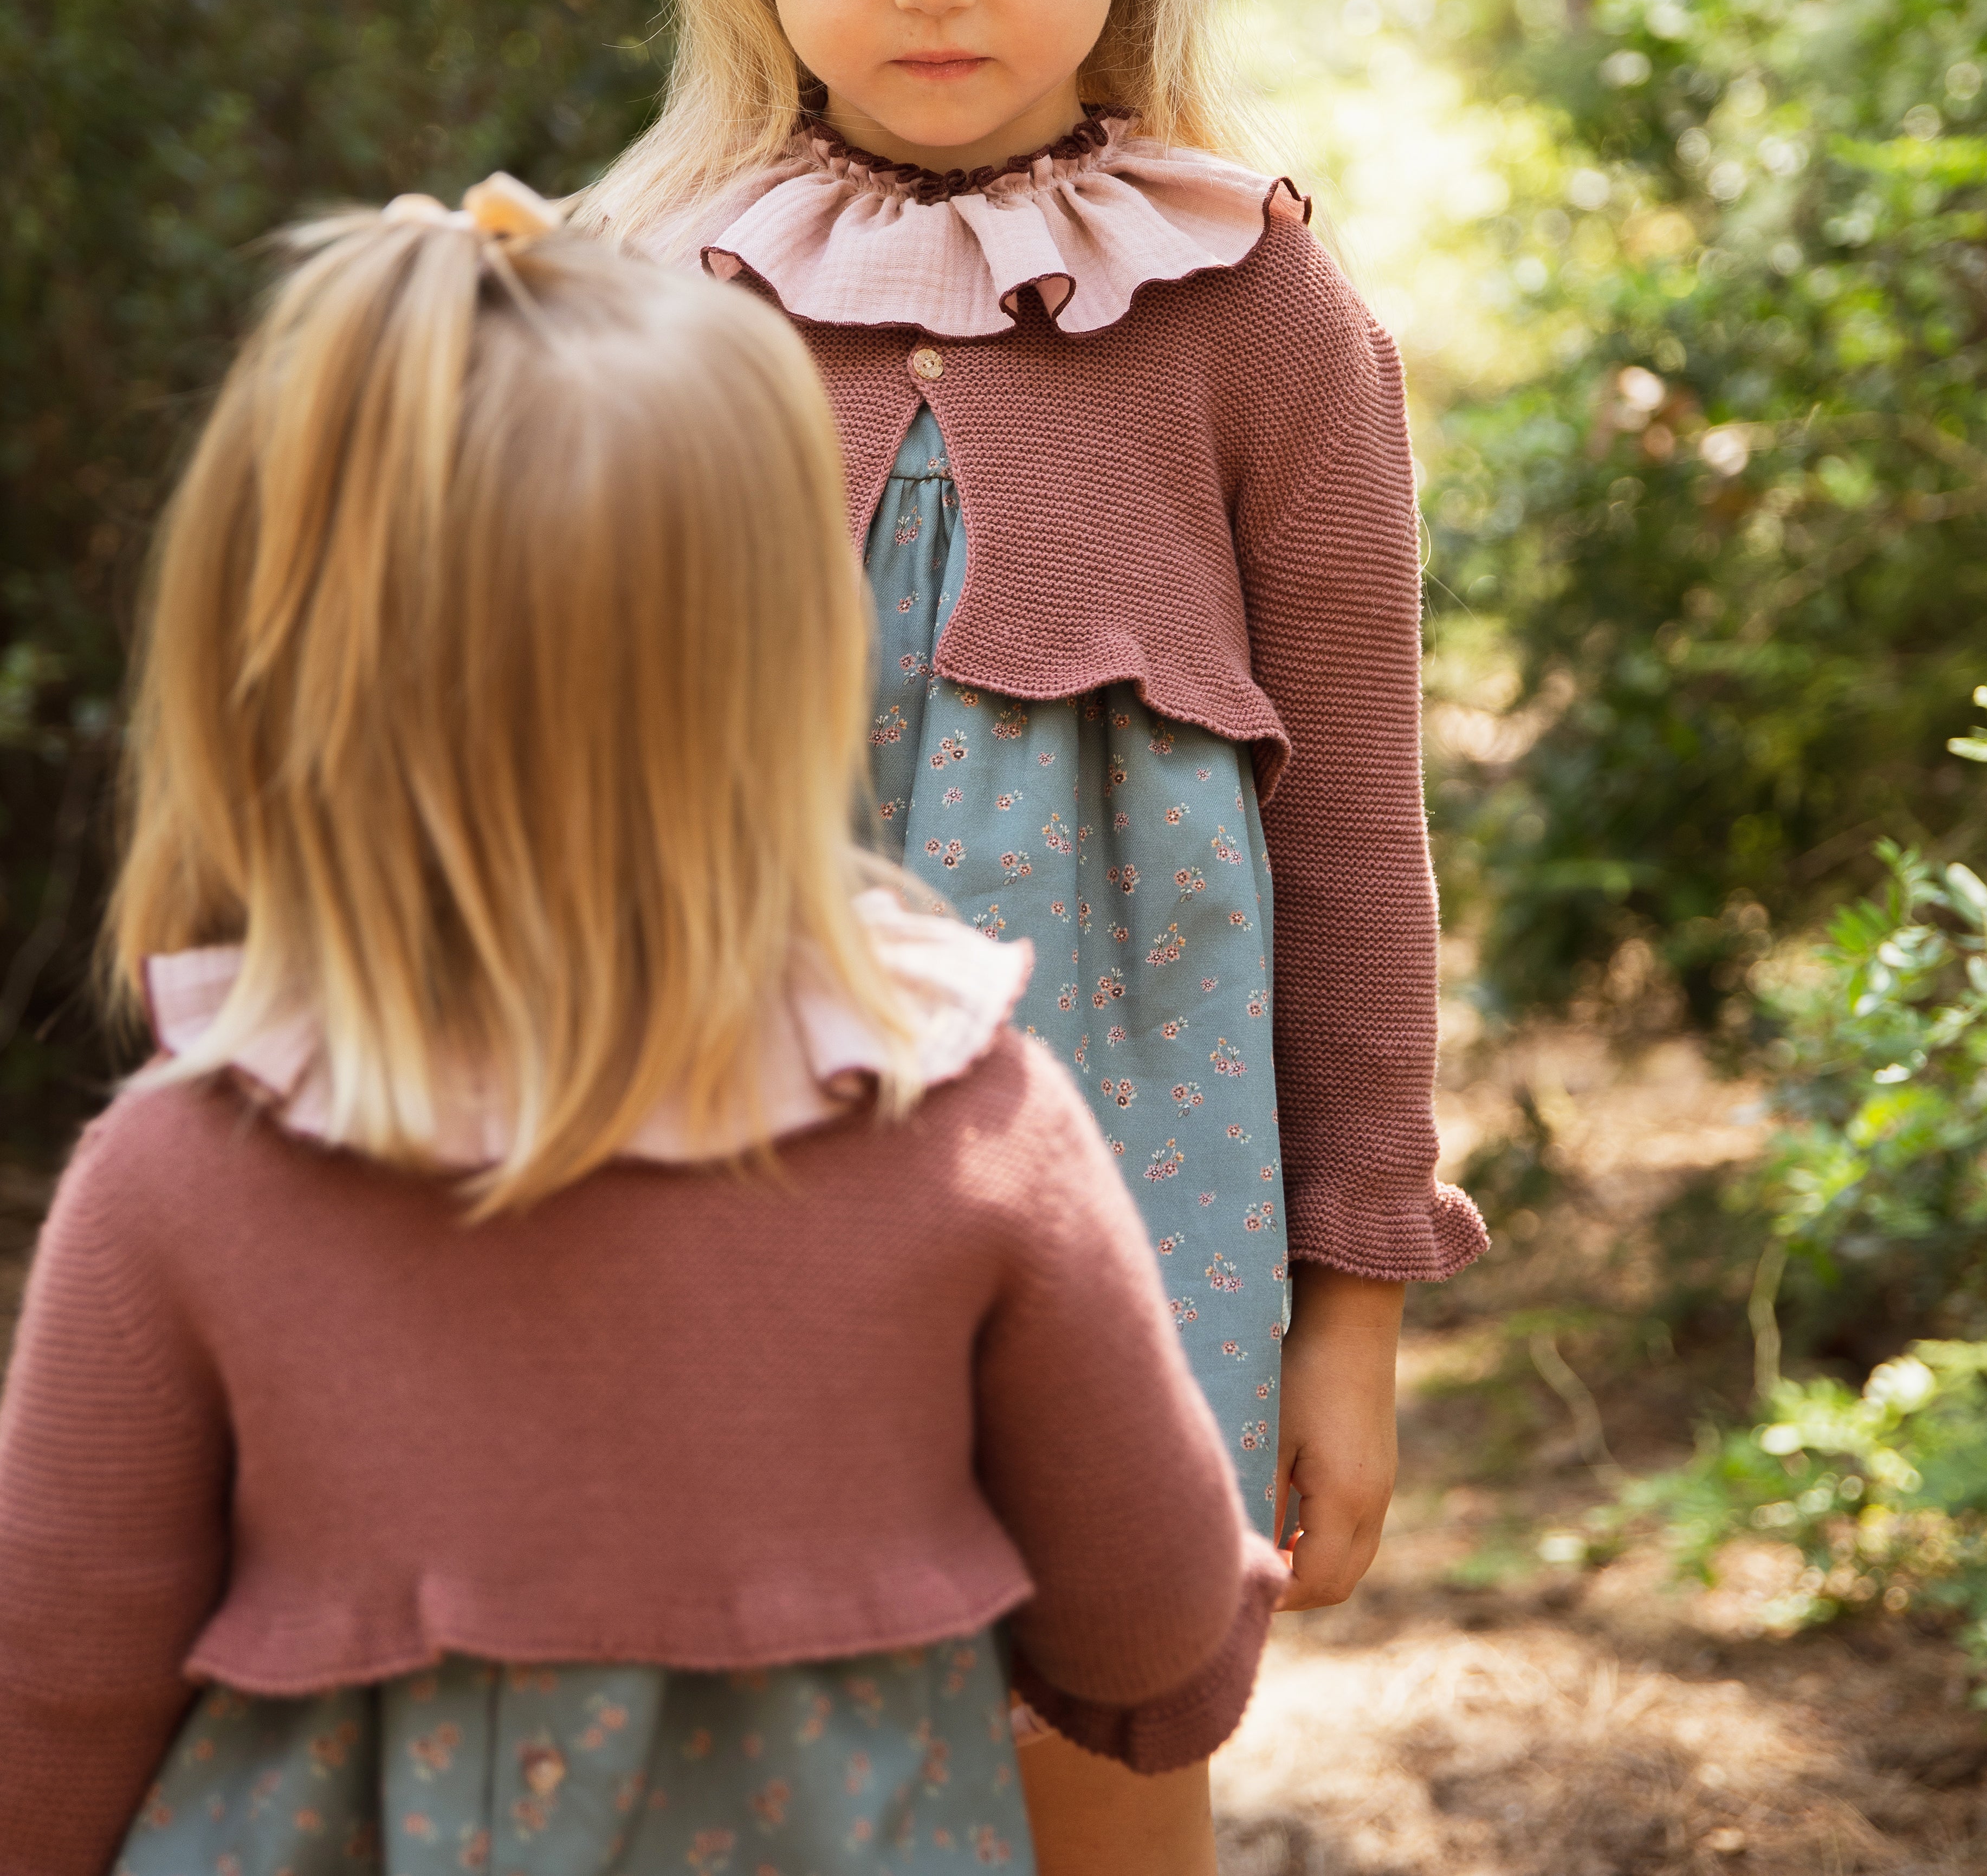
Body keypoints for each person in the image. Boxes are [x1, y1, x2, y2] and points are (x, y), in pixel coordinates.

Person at [579, 0, 1493, 1873]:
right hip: (691, 1201)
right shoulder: (631, 306)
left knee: (1098, 1772)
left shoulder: (1267, 325)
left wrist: (1351, 1308)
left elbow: (1355, 850)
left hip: (1131, 1205)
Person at [0, 186, 1283, 1876]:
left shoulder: (183, 1171)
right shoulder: (965, 1130)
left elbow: (58, 1687)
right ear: (795, 670)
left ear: (264, 696)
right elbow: (1151, 1623)